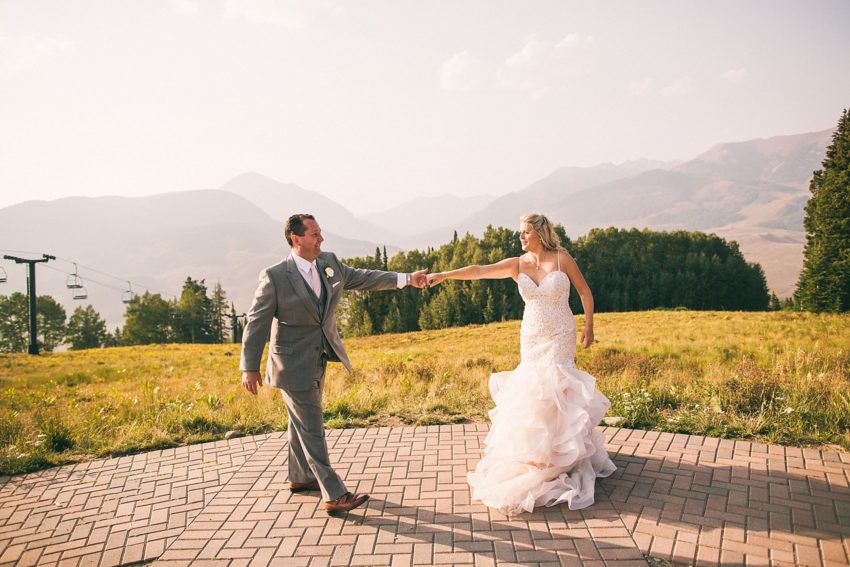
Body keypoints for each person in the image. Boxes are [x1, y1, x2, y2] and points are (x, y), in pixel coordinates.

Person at [427, 213, 616, 515]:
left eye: (526, 232)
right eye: (520, 233)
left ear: (540, 233)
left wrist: (589, 326)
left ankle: (562, 454)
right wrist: (445, 275)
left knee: (559, 387)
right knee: (534, 389)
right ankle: (537, 454)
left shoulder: (561, 258)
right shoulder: (517, 264)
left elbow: (584, 291)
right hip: (532, 335)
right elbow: (478, 271)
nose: (521, 237)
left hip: (560, 333)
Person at [240, 213, 427, 514]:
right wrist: (249, 366)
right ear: (296, 239)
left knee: (299, 422)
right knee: (312, 427)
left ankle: (301, 478)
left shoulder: (329, 263)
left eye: (320, 232)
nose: (321, 239)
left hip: (320, 357)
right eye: (314, 234)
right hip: (291, 365)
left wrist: (407, 279)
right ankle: (334, 494)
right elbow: (256, 322)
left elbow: (365, 277)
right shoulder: (274, 276)